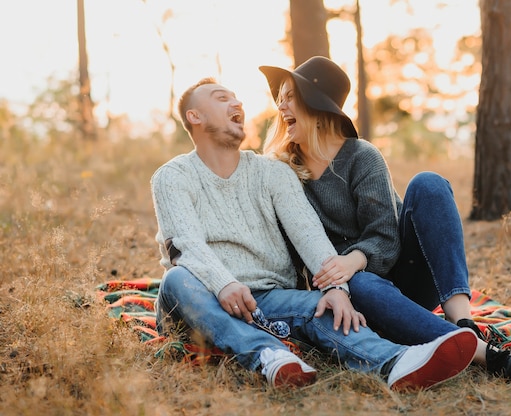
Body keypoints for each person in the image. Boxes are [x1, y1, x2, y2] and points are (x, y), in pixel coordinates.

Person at [150, 76, 479, 390]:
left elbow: (307, 231)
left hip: (268, 298)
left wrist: (337, 288)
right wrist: (225, 284)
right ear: (194, 116)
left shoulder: (272, 172)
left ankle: (397, 362)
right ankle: (267, 354)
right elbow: (185, 245)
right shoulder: (172, 176)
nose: (237, 102)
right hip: (202, 296)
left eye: (236, 96)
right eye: (222, 98)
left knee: (325, 306)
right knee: (176, 279)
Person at [260, 56, 511, 379]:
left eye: (291, 97)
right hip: (353, 293)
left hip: (403, 277)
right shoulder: (283, 172)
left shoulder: (362, 157)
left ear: (316, 105)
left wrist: (354, 259)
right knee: (359, 282)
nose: (281, 107)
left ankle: (463, 322)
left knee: (429, 184)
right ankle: (482, 354)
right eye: (280, 98)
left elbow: (386, 236)